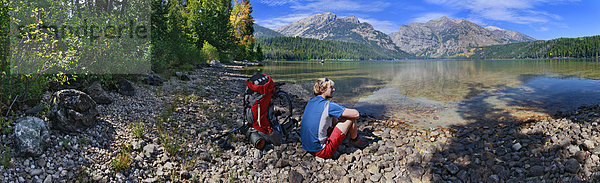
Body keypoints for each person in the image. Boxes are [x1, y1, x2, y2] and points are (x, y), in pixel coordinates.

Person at [300, 78, 367, 159]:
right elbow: (356, 114)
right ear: (322, 89)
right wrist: (343, 111)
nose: (334, 89)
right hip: (322, 151)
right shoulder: (328, 105)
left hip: (307, 146)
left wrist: (339, 112)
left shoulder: (311, 101)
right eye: (331, 87)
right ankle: (355, 140)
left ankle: (342, 135)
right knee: (351, 119)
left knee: (332, 115)